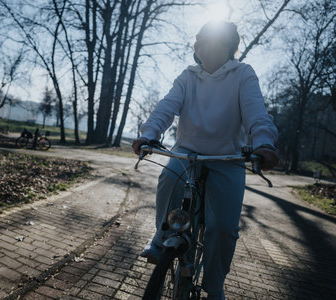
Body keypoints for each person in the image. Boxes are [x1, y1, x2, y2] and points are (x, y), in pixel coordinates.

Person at [132, 21, 279, 300]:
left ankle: (215, 285)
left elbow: (256, 112)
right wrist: (148, 134)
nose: (197, 45)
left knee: (223, 227)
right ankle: (161, 238)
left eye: (205, 40)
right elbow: (166, 106)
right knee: (168, 178)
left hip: (227, 158)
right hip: (187, 152)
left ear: (227, 45)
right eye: (196, 40)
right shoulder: (188, 76)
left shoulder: (243, 74)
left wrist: (264, 143)